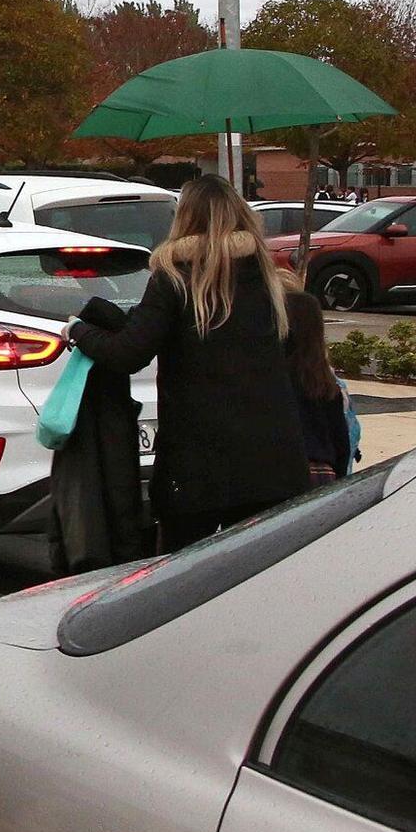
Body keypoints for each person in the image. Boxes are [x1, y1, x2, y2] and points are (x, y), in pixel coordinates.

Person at [69, 175, 308, 551]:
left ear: (184, 218)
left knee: (182, 575)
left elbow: (128, 353)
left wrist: (79, 332)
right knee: (258, 571)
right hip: (274, 460)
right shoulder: (268, 279)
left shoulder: (174, 278)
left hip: (198, 464)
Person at [283, 286, 354, 485]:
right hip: (323, 471)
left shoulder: (276, 379)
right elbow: (341, 442)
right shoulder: (325, 382)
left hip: (285, 470)